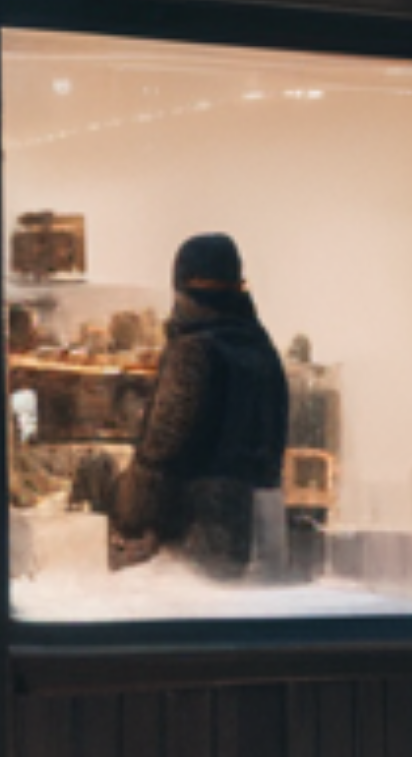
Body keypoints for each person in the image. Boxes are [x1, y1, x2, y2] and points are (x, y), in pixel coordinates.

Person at [108, 232, 289, 576]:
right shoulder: (262, 348)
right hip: (259, 536)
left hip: (195, 538)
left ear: (181, 285)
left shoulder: (193, 350)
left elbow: (161, 451)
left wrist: (127, 514)